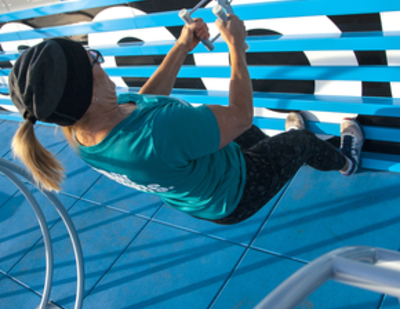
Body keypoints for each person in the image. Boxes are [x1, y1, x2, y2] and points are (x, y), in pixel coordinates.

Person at [8, 16, 365, 225]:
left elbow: (145, 99)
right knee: (295, 143)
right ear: (86, 90)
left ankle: (283, 151)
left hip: (201, 183)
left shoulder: (84, 129)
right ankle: (346, 160)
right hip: (234, 195)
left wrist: (181, 47)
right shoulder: (160, 133)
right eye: (92, 59)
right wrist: (236, 47)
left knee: (247, 137)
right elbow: (240, 115)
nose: (99, 60)